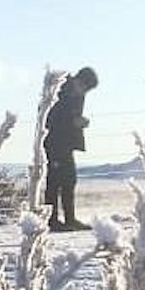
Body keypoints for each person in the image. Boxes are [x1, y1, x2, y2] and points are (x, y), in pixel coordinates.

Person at [44, 66, 99, 231]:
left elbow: (71, 117)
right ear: (78, 80)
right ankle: (51, 220)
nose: (84, 92)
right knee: (54, 182)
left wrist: (78, 122)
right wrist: (73, 122)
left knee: (69, 180)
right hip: (54, 142)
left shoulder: (77, 95)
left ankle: (70, 218)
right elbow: (50, 118)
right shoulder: (59, 90)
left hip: (67, 143)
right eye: (84, 87)